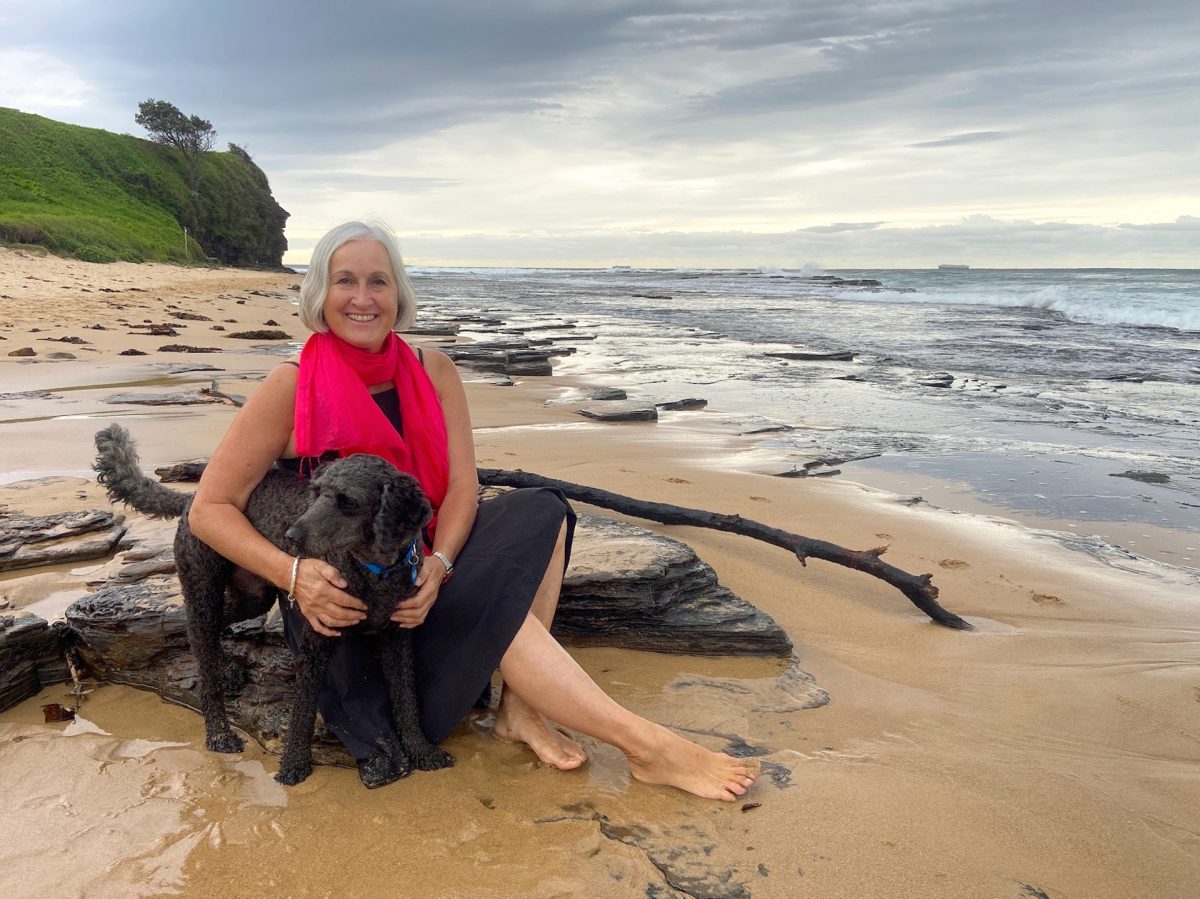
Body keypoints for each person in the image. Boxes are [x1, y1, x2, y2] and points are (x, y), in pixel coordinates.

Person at [187, 220, 759, 800]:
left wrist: (439, 565)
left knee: (542, 508)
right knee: (494, 609)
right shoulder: (290, 385)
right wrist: (293, 574)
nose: (363, 299)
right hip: (348, 601)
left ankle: (520, 706)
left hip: (425, 563)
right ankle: (646, 747)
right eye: (345, 281)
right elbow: (209, 509)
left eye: (379, 282)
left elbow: (463, 487)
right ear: (319, 294)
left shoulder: (433, 370)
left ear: (399, 294)